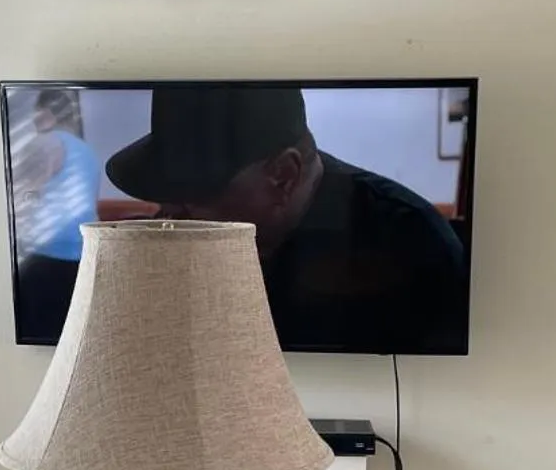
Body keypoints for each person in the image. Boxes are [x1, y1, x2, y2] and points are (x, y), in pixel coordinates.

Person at [104, 85, 468, 352]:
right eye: (164, 193)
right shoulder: (189, 238)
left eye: (195, 193)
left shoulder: (412, 244)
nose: (169, 216)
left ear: (283, 176)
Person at [10, 88, 101, 340]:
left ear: (48, 113)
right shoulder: (89, 153)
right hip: (83, 260)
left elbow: (26, 195)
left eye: (36, 115)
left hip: (46, 261)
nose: (34, 121)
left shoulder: (45, 142)